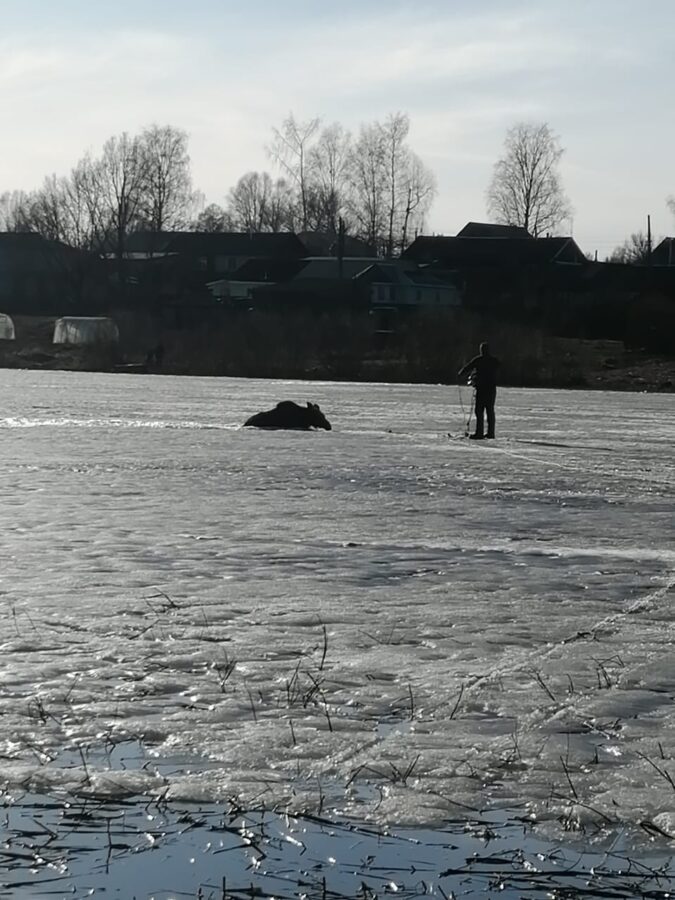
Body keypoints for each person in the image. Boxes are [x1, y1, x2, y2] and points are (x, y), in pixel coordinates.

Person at [458, 342, 499, 439]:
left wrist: (460, 374)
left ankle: (479, 433)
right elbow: (501, 366)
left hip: (482, 389)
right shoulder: (494, 361)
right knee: (490, 411)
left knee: (479, 411)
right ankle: (490, 433)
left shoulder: (479, 360)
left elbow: (468, 367)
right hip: (491, 389)